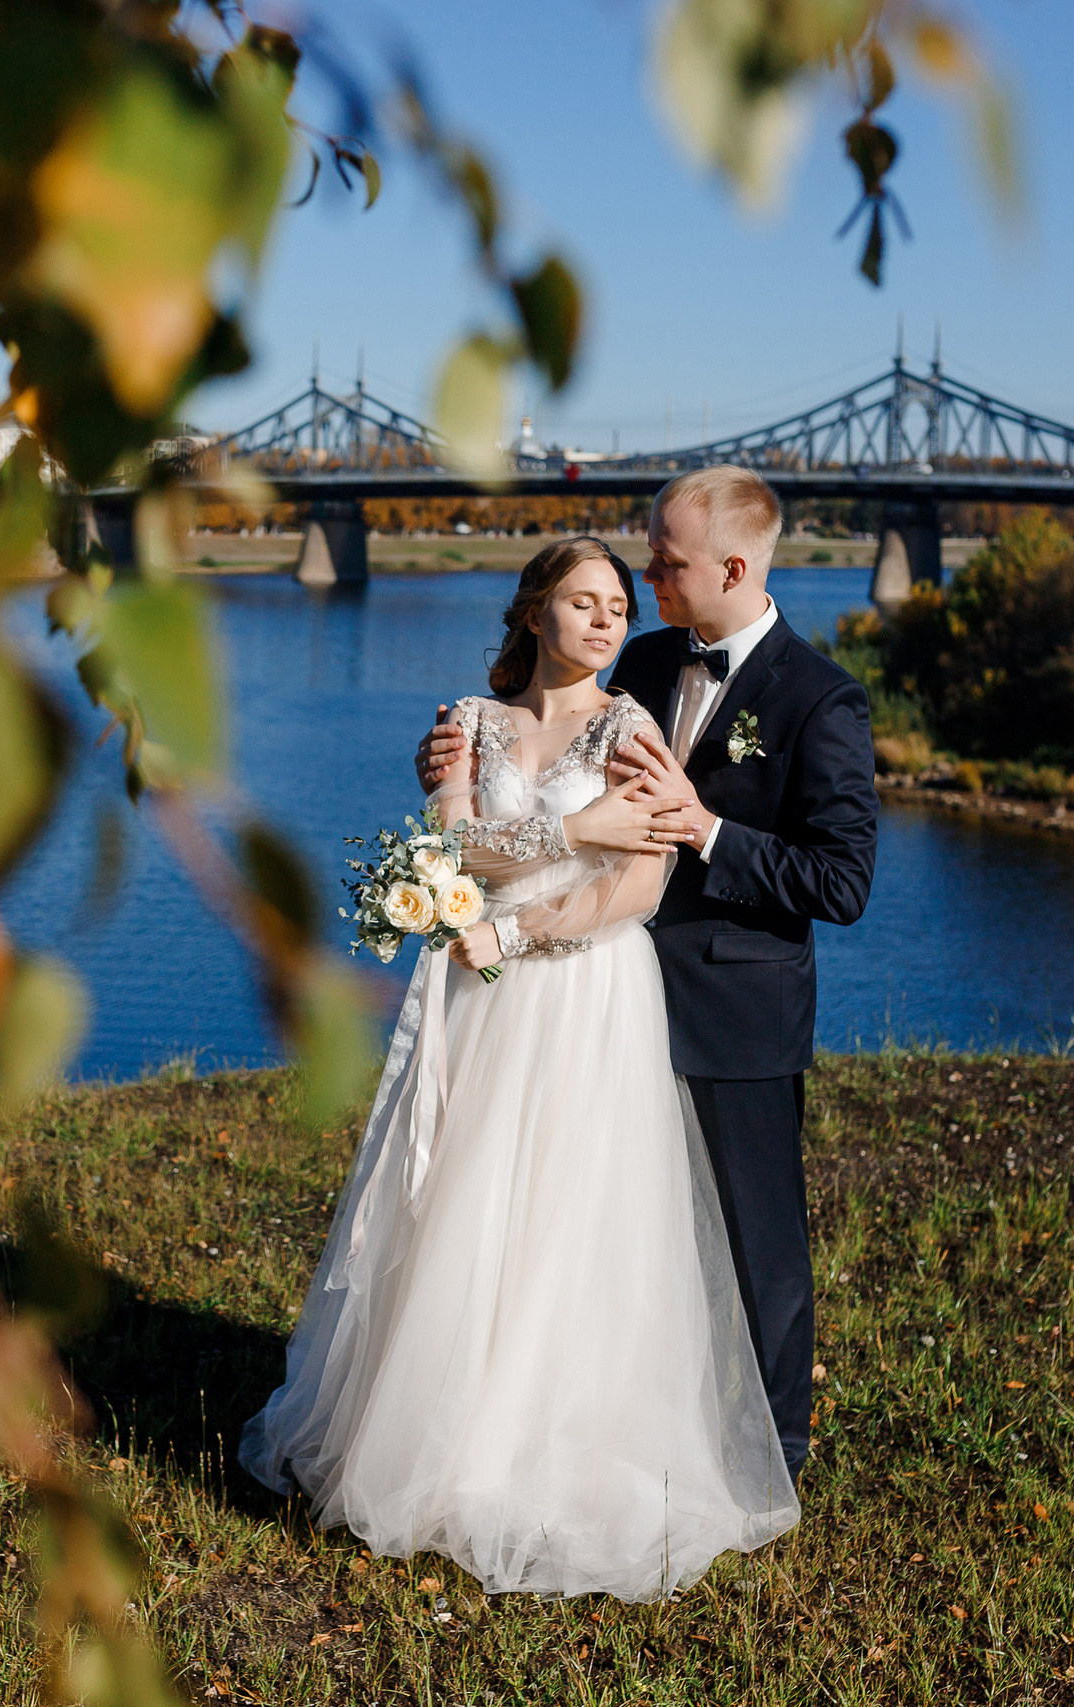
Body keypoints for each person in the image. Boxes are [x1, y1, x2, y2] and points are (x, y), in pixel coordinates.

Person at [240, 534, 799, 1602]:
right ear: (533, 609)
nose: (604, 619)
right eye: (581, 599)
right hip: (473, 993)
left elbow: (636, 889)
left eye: (617, 603)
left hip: (583, 993)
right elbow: (444, 858)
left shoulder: (633, 727)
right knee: (458, 1204)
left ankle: (549, 1453)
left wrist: (520, 930)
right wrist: (563, 831)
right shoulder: (468, 726)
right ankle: (437, 1441)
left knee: (565, 1216)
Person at [412, 468, 879, 1482]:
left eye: (664, 560)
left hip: (734, 1003)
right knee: (590, 1215)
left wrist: (706, 829)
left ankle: (774, 1450)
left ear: (733, 566)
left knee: (757, 1239)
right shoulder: (651, 655)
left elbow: (840, 883)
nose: (646, 573)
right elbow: (542, 728)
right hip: (598, 990)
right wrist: (450, 763)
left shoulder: (821, 699)